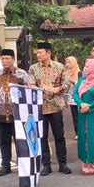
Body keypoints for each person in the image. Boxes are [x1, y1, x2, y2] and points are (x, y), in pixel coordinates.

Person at [28, 42, 71, 176]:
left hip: (56, 106)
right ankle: (46, 165)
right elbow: (30, 84)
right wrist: (43, 89)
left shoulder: (60, 67)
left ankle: (62, 163)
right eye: (37, 53)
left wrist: (57, 89)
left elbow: (66, 83)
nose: (38, 55)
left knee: (59, 136)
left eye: (40, 52)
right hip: (40, 107)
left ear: (48, 53)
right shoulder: (33, 68)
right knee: (42, 137)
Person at [0, 49, 29, 176]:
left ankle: (23, 165)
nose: (4, 61)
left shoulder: (22, 75)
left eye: (7, 58)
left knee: (20, 141)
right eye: (3, 59)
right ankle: (5, 165)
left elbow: (27, 94)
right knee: (3, 141)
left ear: (13, 59)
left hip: (17, 114)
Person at [72, 59, 94, 175]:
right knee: (85, 136)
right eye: (85, 66)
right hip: (83, 112)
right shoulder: (82, 80)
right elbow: (75, 93)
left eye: (87, 67)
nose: (85, 69)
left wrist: (89, 106)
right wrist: (81, 104)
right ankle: (87, 162)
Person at [65, 56, 82, 139]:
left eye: (69, 62)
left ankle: (83, 132)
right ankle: (77, 133)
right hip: (71, 99)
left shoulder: (79, 72)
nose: (67, 64)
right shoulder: (68, 73)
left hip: (79, 98)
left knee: (81, 116)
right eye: (66, 62)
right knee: (74, 116)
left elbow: (81, 85)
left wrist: (72, 81)